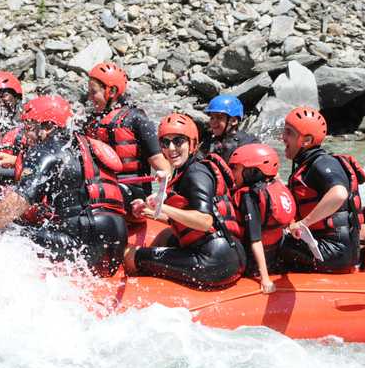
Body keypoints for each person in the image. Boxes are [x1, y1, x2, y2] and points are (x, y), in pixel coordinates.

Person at [0, 95, 128, 277]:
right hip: (116, 245)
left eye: (29, 127)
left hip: (82, 245)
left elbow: (16, 203)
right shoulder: (84, 145)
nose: (25, 135)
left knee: (4, 231)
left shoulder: (46, 150)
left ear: (49, 126)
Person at [123, 113, 246, 288]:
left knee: (130, 255)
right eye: (165, 143)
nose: (171, 148)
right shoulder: (187, 169)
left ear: (192, 143)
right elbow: (181, 220)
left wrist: (162, 206)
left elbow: (205, 221)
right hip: (226, 254)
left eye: (178, 141)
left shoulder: (196, 173)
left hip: (213, 262)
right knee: (165, 236)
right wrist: (148, 211)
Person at [281, 106, 365, 273]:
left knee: (272, 240)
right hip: (331, 247)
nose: (282, 137)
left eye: (289, 132)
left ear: (306, 140)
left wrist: (303, 224)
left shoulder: (322, 164)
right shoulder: (308, 164)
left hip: (333, 250)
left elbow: (339, 194)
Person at [83, 62, 171, 205]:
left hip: (133, 192)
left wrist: (161, 190)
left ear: (111, 91)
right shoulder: (90, 122)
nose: (90, 98)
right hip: (101, 187)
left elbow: (162, 166)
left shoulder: (136, 119)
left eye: (94, 92)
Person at [229, 143, 295, 294]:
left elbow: (255, 240)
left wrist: (265, 279)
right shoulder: (276, 186)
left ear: (251, 172)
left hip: (252, 261)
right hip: (274, 255)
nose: (232, 172)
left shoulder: (249, 196)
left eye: (235, 168)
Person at [198, 94, 258, 162]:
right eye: (212, 118)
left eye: (219, 117)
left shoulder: (247, 144)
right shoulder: (208, 140)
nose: (213, 122)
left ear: (234, 121)